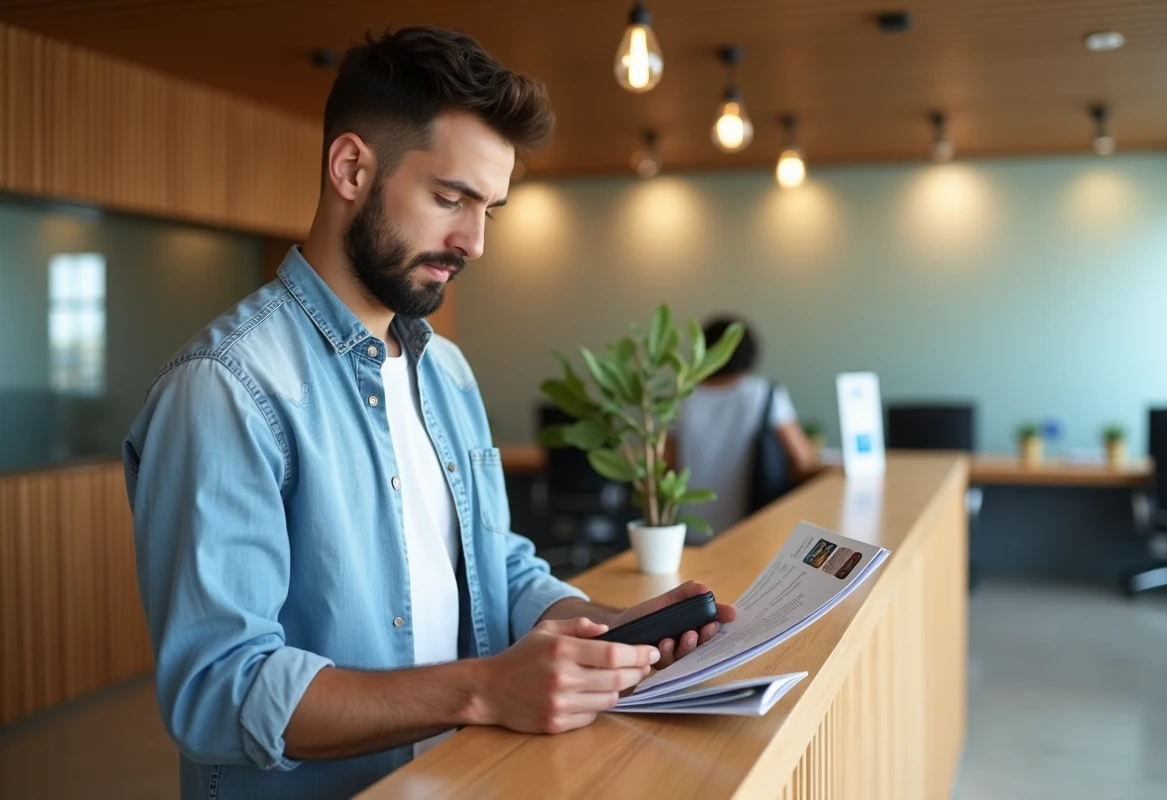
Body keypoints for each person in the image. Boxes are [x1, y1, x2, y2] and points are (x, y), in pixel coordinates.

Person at [122, 27, 734, 800]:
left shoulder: (444, 370)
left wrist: (606, 629)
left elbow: (497, 568)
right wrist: (480, 689)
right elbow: (219, 689)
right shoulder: (225, 389)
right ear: (351, 168)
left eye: (491, 209)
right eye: (450, 198)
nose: (475, 241)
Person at [672, 316, 815, 541]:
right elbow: (803, 459)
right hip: (752, 528)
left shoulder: (680, 398)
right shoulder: (764, 394)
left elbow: (665, 467)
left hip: (689, 530)